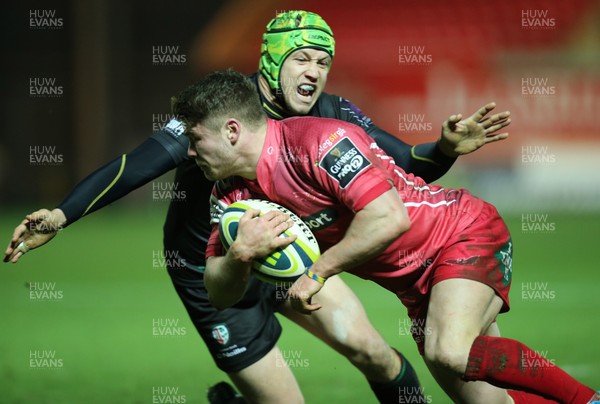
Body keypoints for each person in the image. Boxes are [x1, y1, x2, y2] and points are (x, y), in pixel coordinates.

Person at [4, 11, 511, 404]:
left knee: (375, 356)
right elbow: (135, 165)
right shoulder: (222, 110)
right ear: (271, 59)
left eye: (323, 60)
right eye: (302, 58)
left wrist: (444, 148)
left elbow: (407, 164)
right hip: (216, 271)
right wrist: (62, 214)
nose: (315, 71)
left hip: (291, 259)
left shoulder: (331, 111)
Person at [175, 69, 599, 404]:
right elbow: (219, 294)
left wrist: (317, 273)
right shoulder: (230, 196)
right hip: (416, 287)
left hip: (460, 234)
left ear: (232, 131)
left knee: (449, 351)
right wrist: (240, 255)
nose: (190, 154)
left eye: (195, 139)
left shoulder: (320, 141)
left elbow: (388, 218)